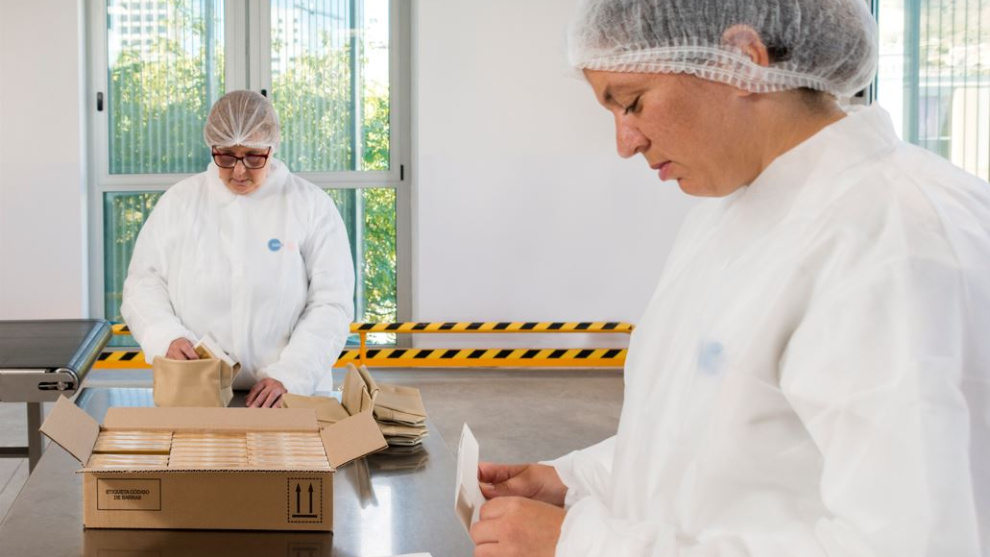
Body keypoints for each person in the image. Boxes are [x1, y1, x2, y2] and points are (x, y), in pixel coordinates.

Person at [471, 0, 990, 555]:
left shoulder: (892, 239)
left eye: (633, 103)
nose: (626, 143)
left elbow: (911, 543)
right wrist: (577, 479)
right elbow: (716, 429)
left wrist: (584, 545)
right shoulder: (734, 210)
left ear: (741, 61)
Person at [121, 90, 354, 408]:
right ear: (212, 147)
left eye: (253, 157)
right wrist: (166, 336)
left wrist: (292, 375)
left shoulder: (310, 205)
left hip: (287, 396)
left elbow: (331, 303)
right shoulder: (180, 202)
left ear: (272, 148)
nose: (239, 171)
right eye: (227, 156)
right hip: (196, 390)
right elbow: (143, 283)